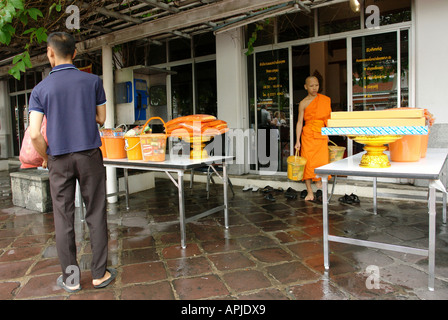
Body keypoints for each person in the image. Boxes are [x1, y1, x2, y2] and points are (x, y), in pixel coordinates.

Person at [28, 32, 116, 293]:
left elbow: (34, 133)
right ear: (75, 54)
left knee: (63, 218)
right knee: (96, 213)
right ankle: (99, 275)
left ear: (49, 53)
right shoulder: (92, 81)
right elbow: (102, 118)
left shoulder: (40, 89)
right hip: (89, 155)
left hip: (58, 158)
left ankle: (71, 278)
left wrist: (46, 157)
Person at [295, 76, 332, 201]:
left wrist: (327, 134)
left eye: (316, 85)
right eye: (311, 86)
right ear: (306, 87)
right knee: (308, 164)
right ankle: (310, 192)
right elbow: (299, 122)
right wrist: (297, 141)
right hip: (308, 136)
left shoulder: (325, 100)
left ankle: (318, 181)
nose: (315, 88)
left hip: (321, 133)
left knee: (322, 162)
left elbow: (328, 119)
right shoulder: (303, 103)